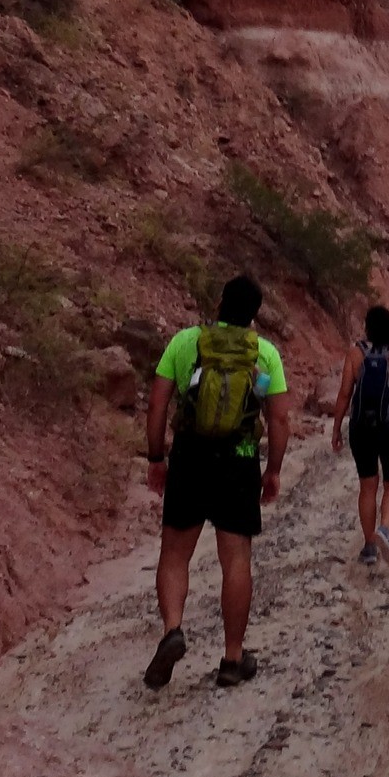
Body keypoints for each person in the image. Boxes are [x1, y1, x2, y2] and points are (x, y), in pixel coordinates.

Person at [143, 274, 290, 690]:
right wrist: (273, 470)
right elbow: (278, 419)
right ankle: (232, 657)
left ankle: (173, 630)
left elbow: (157, 403)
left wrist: (157, 456)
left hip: (189, 456)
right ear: (254, 315)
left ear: (221, 302)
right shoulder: (264, 354)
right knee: (236, 560)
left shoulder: (185, 342)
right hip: (238, 460)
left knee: (174, 554)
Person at [331, 304, 389, 566]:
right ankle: (385, 529)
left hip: (361, 428)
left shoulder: (356, 353)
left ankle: (369, 546)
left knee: (367, 485)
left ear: (368, 327)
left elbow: (345, 393)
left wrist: (337, 427)